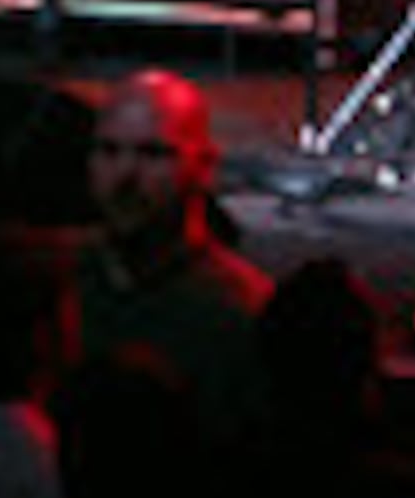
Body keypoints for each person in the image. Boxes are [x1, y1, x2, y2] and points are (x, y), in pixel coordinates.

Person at [72, 66, 273, 442]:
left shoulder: (241, 311)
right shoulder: (59, 280)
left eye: (153, 154)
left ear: (204, 167)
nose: (125, 174)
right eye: (108, 151)